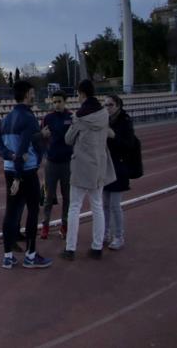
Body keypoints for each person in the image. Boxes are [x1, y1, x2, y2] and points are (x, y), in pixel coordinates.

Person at [0, 80, 51, 269]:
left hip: (9, 169)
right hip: (24, 173)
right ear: (27, 94)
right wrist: (43, 138)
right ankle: (30, 255)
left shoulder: (5, 119)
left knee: (10, 212)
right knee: (33, 211)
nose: (34, 96)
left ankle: (7, 256)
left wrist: (13, 158)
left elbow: (1, 148)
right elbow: (25, 149)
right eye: (33, 93)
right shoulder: (28, 118)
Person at [62, 79, 117, 261]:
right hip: (99, 165)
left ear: (82, 94)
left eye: (78, 94)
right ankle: (97, 246)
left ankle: (70, 249)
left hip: (81, 166)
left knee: (74, 207)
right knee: (97, 206)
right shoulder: (104, 114)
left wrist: (73, 124)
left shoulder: (80, 116)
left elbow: (68, 139)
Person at [40, 92, 75, 240]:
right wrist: (43, 156)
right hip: (52, 163)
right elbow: (41, 137)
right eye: (54, 102)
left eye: (59, 101)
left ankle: (65, 225)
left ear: (65, 101)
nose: (56, 104)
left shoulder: (71, 117)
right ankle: (45, 226)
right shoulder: (48, 118)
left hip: (67, 162)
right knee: (48, 197)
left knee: (67, 197)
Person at [102, 94, 135, 251]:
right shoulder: (104, 120)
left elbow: (129, 144)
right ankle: (105, 233)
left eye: (110, 105)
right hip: (105, 166)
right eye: (105, 105)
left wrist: (113, 135)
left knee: (115, 205)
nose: (107, 108)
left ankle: (119, 236)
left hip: (119, 167)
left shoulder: (125, 121)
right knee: (104, 204)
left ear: (118, 106)